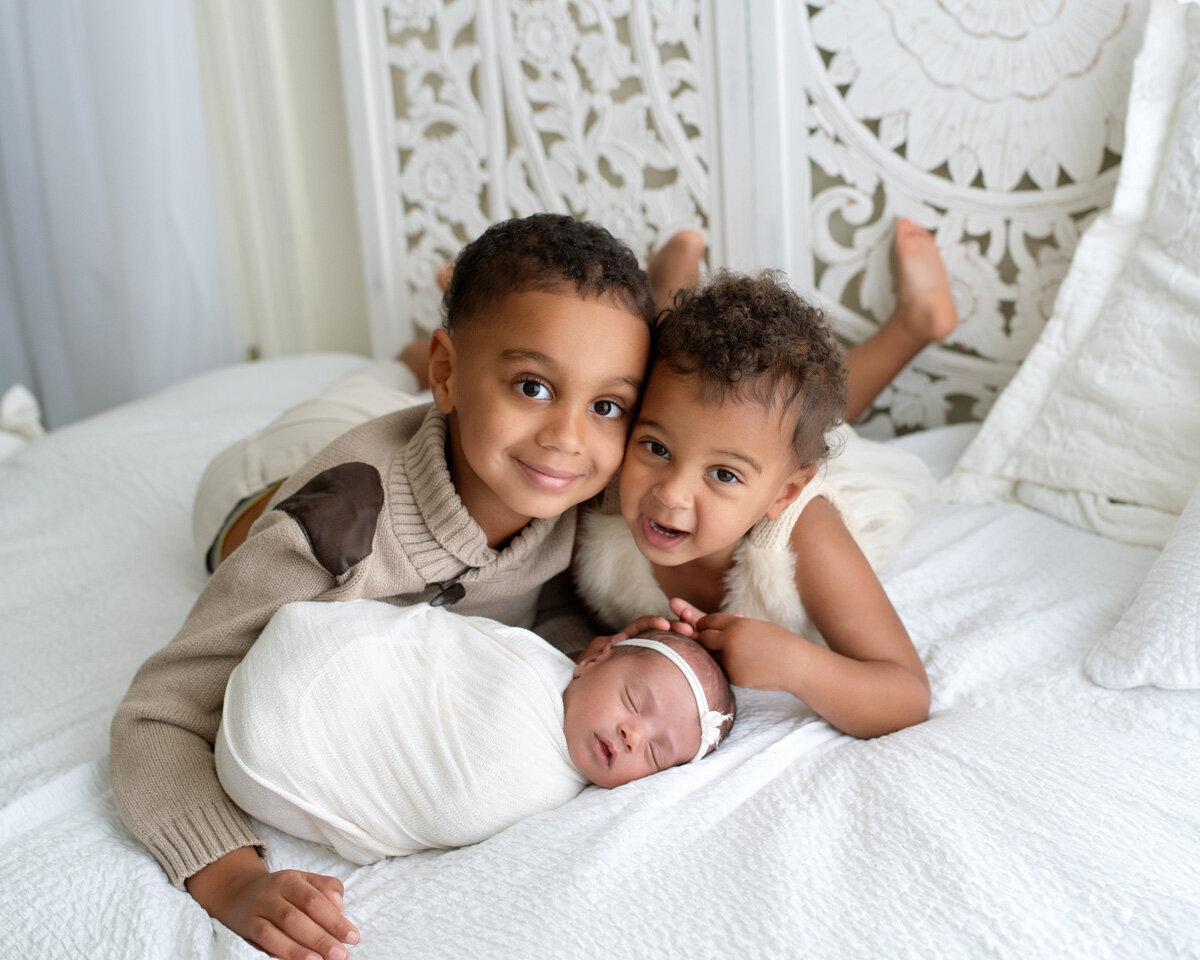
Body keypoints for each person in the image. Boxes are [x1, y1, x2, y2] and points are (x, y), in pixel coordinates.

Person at [109, 213, 657, 960]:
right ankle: (404, 357)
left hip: (420, 438)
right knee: (349, 398)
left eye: (606, 406)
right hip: (261, 480)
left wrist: (589, 654)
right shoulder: (330, 533)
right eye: (532, 385)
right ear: (450, 372)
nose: (567, 437)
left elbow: (547, 599)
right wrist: (232, 879)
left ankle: (433, 357)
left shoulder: (561, 495)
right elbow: (157, 716)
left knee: (382, 404)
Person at [571, 264, 940, 740]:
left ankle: (913, 326)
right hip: (759, 454)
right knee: (757, 425)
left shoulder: (804, 532)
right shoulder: (604, 484)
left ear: (783, 495)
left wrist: (797, 666)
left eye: (723, 474)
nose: (671, 493)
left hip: (818, 486)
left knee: (817, 426)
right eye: (657, 448)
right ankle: (672, 267)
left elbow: (906, 694)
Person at [216, 599, 735, 864]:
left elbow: (455, 804)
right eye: (632, 702)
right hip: (303, 663)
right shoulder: (524, 663)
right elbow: (436, 645)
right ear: (593, 658)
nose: (631, 736)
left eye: (657, 753)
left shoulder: (554, 799)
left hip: (267, 768)